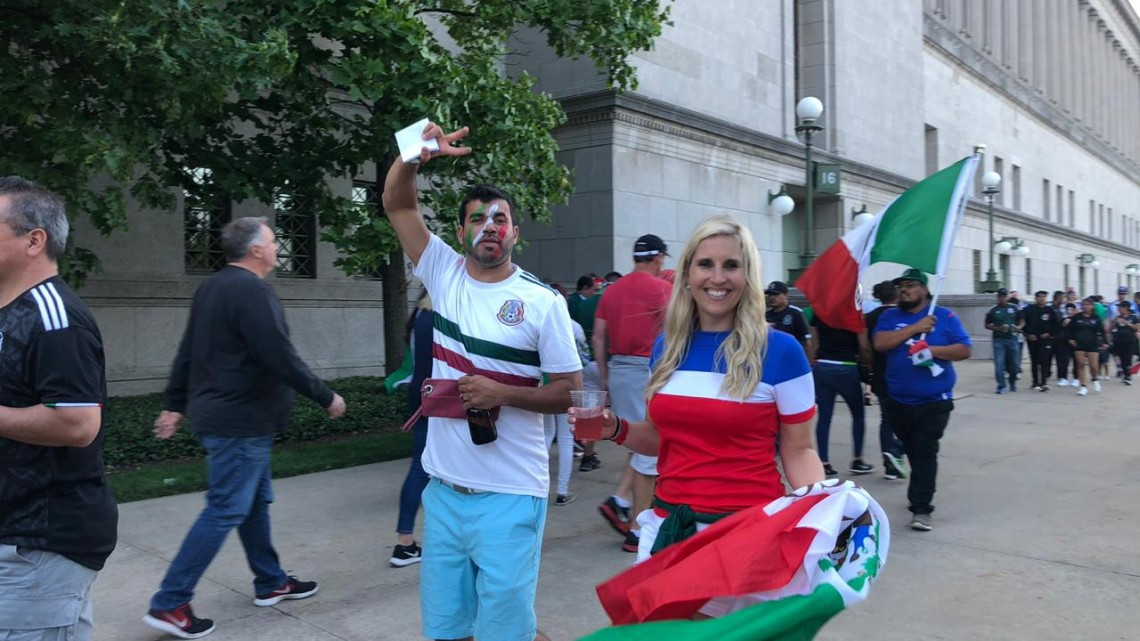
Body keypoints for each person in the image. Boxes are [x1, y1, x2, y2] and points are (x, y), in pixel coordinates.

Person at [382, 122, 582, 641]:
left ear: (514, 233)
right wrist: (414, 153)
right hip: (444, 491)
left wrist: (505, 394)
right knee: (446, 630)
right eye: (478, 218)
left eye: (500, 219)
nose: (489, 226)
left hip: (511, 492)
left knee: (504, 633)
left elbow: (572, 390)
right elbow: (398, 206)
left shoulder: (544, 303)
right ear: (461, 230)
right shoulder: (444, 274)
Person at [573, 216, 822, 613]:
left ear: (748, 275)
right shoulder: (666, 348)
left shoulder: (782, 352)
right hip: (670, 528)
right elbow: (659, 438)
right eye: (706, 264)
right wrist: (615, 427)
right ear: (687, 274)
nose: (717, 278)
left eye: (731, 265)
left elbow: (800, 450)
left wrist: (823, 514)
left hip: (745, 535)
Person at [146, 217, 346, 639]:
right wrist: (325, 395)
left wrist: (174, 405)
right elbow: (279, 355)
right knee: (225, 508)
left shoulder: (211, 287)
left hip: (227, 417)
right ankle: (170, 601)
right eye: (273, 241)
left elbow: (187, 351)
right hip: (239, 422)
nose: (277, 247)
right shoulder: (253, 292)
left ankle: (270, 580)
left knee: (251, 503)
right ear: (255, 250)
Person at [0, 177, 118, 641]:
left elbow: (78, 422)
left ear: (34, 240)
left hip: (41, 544)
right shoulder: (11, 313)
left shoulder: (56, 317)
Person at [872, 268, 972, 532]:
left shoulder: (945, 316)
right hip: (898, 401)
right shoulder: (890, 316)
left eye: (911, 285)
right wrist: (916, 328)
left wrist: (932, 349)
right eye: (901, 285)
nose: (904, 289)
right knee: (914, 449)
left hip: (934, 400)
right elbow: (880, 344)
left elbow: (965, 349)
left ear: (925, 290)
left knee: (925, 450)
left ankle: (921, 508)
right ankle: (917, 486)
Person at [592, 234, 673, 553]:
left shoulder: (612, 291)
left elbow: (599, 338)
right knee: (651, 451)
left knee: (639, 442)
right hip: (650, 371)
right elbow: (676, 332)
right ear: (657, 258)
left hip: (619, 370)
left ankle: (620, 499)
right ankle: (638, 530)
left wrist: (604, 379)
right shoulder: (663, 290)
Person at [391, 294, 435, 567]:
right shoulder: (441, 315)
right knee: (428, 470)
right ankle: (405, 541)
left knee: (421, 469)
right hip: (441, 401)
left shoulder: (420, 314)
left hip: (423, 397)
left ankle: (405, 540)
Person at [809, 313, 874, 477]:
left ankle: (823, 462)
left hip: (823, 366)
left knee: (824, 416)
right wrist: (870, 366)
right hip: (847, 366)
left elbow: (814, 343)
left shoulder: (819, 313)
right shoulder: (855, 314)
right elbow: (864, 346)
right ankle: (857, 459)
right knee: (857, 414)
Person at [864, 280, 907, 481]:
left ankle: (889, 463)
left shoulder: (869, 317)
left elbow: (864, 347)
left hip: (880, 372)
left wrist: (869, 368)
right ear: (896, 295)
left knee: (886, 419)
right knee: (910, 418)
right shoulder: (902, 316)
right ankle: (896, 452)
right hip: (902, 373)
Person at [1066, 298, 1108, 396]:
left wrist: (1105, 342)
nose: (1086, 306)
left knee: (1093, 366)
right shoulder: (1077, 317)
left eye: (1088, 304)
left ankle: (1095, 379)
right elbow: (1069, 329)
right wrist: (1070, 339)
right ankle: (1083, 386)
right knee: (1080, 365)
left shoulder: (1096, 317)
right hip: (1079, 343)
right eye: (1084, 304)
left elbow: (1102, 331)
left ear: (1092, 306)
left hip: (1093, 344)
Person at [984, 288, 1022, 394]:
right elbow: (987, 324)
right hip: (999, 340)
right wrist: (998, 328)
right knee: (999, 364)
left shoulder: (1014, 308)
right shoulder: (993, 309)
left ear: (1007, 297)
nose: (1002, 298)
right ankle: (1001, 385)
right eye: (1000, 296)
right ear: (998, 297)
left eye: (1004, 296)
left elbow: (1022, 320)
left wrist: (1018, 327)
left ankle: (1013, 382)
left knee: (1015, 363)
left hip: (1012, 339)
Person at [1022, 290, 1060, 391]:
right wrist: (1027, 334)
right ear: (1035, 298)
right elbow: (1022, 323)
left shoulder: (1049, 310)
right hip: (1032, 339)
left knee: (1044, 360)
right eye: (1039, 296)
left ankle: (1044, 383)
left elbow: (1056, 325)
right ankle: (1035, 382)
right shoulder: (1028, 310)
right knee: (1034, 361)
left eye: (1043, 297)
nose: (1041, 298)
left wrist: (1049, 334)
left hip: (1045, 340)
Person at [765, 281, 811, 355]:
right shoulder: (766, 315)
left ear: (786, 295)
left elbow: (806, 341)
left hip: (791, 356)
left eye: (776, 294)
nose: (772, 297)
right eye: (770, 294)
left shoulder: (795, 313)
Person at [1109, 301, 1139, 385]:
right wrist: (1113, 322)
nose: (1119, 309)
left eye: (1120, 307)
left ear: (1126, 308)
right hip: (1119, 340)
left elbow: (1137, 328)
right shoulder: (1117, 317)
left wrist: (1127, 323)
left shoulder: (1133, 317)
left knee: (1128, 358)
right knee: (1121, 359)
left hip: (1130, 340)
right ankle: (1125, 374)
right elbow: (1110, 329)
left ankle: (1128, 376)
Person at [1057, 302, 1080, 387]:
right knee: (1064, 361)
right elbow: (1058, 329)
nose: (1070, 311)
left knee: (1076, 361)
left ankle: (1076, 378)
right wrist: (1063, 324)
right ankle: (1063, 378)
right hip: (1064, 343)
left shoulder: (1078, 319)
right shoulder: (1063, 319)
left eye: (1071, 309)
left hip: (1075, 343)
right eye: (1068, 309)